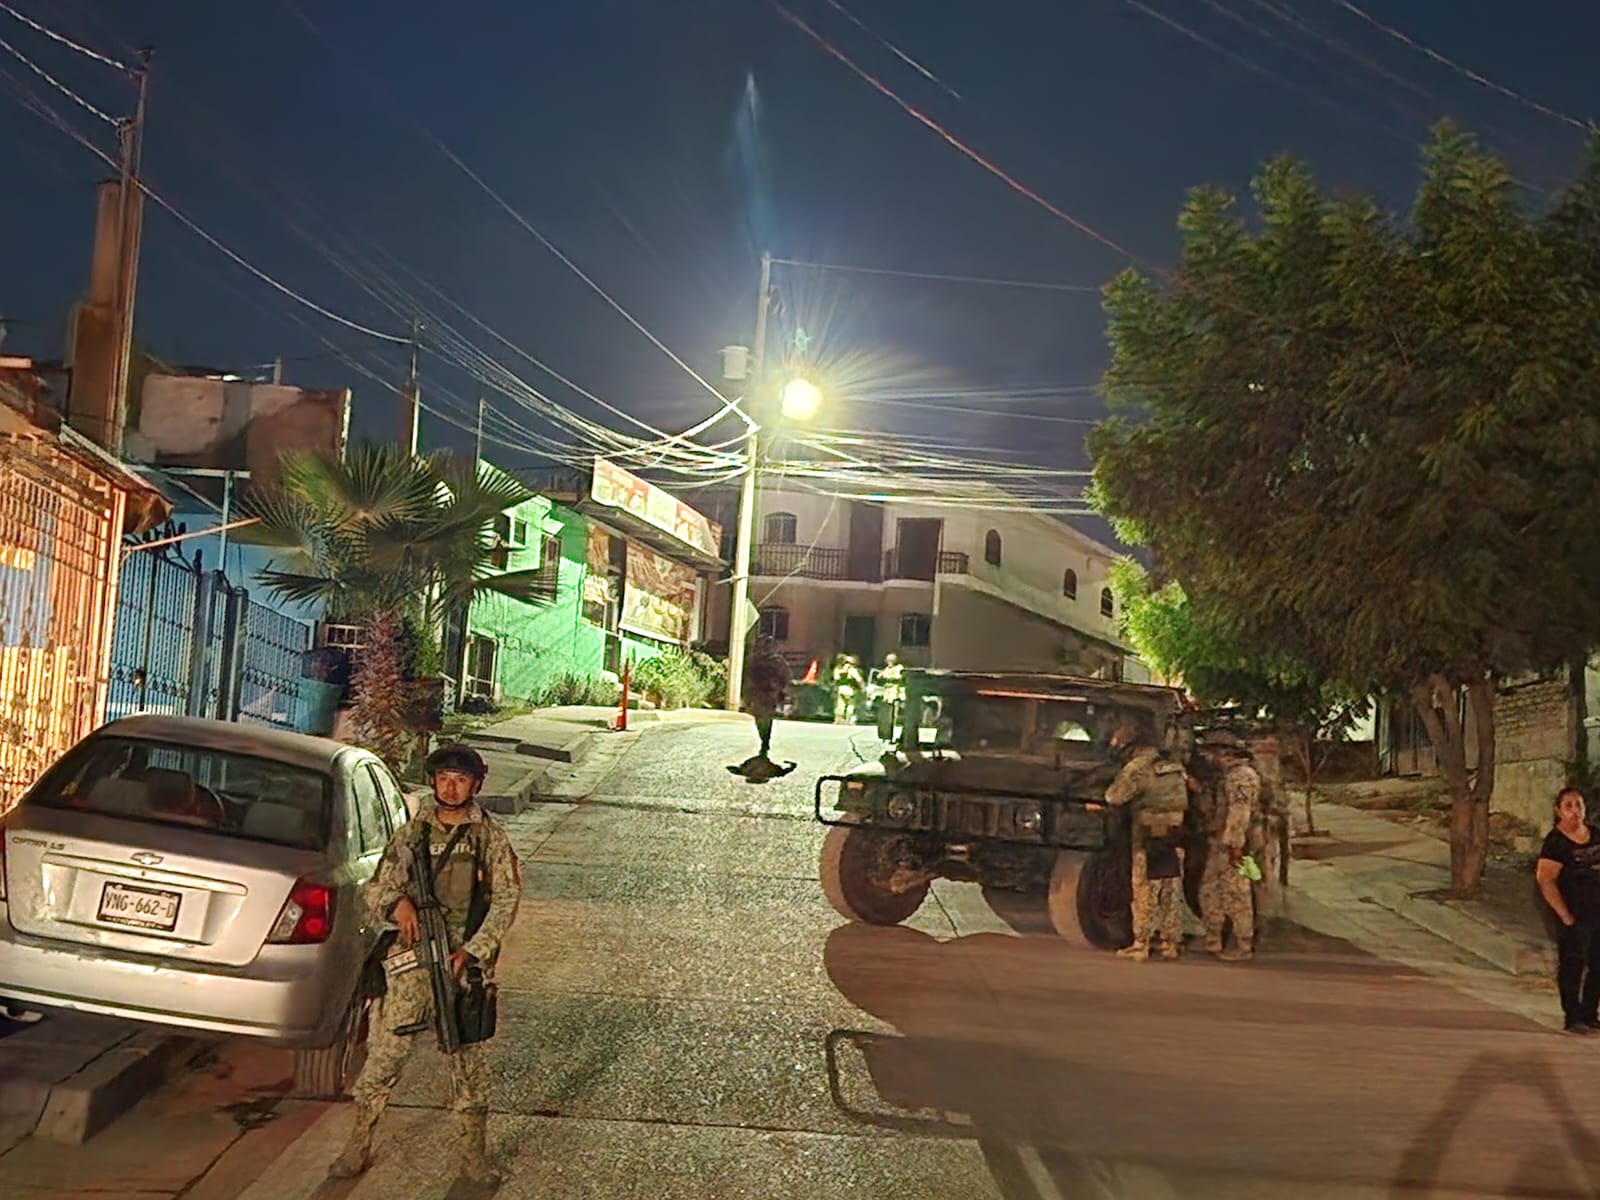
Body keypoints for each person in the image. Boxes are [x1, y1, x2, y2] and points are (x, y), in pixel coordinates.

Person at [328, 744, 521, 1182]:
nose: (451, 788)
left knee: (469, 1069)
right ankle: (358, 1146)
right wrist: (398, 905)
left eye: (461, 780)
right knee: (384, 1060)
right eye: (444, 779)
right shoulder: (411, 835)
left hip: (464, 970)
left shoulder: (488, 837)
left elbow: (506, 899)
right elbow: (377, 888)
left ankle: (473, 1159)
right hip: (412, 969)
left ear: (475, 785)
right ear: (434, 781)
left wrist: (472, 952)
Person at [1103, 717, 1190, 961]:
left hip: (1148, 836)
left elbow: (1114, 797)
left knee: (1145, 890)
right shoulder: (1174, 765)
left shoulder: (1138, 767)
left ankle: (1141, 943)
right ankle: (1170, 943)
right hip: (1174, 834)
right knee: (1171, 890)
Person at [1535, 786, 1600, 1035]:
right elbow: (1546, 879)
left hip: (1597, 912)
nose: (1575, 810)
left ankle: (1589, 1013)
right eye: (1569, 806)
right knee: (1573, 963)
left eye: (1579, 804)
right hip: (1573, 914)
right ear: (1558, 811)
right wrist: (1565, 915)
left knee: (1597, 964)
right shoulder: (1556, 843)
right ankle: (1572, 1016)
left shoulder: (1595, 834)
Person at [1199, 737, 1261, 961]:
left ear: (1225, 752)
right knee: (1210, 891)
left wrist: (1235, 845)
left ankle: (1244, 945)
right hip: (1219, 842)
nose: (1206, 756)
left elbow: (1240, 812)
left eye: (1211, 751)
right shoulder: (1226, 775)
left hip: (1232, 844)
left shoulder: (1240, 776)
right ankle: (1213, 940)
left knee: (1236, 894)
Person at [729, 636, 797, 782]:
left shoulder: (776, 661)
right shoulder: (757, 660)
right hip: (760, 693)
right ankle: (764, 739)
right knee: (760, 718)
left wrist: (782, 691)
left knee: (765, 717)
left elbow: (785, 677)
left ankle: (765, 740)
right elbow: (748, 675)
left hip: (770, 693)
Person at [831, 654, 866, 724]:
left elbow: (836, 679)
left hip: (841, 688)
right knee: (851, 704)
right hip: (850, 689)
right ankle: (848, 719)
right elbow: (859, 679)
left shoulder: (838, 669)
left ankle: (839, 719)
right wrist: (863, 687)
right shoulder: (852, 669)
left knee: (841, 704)